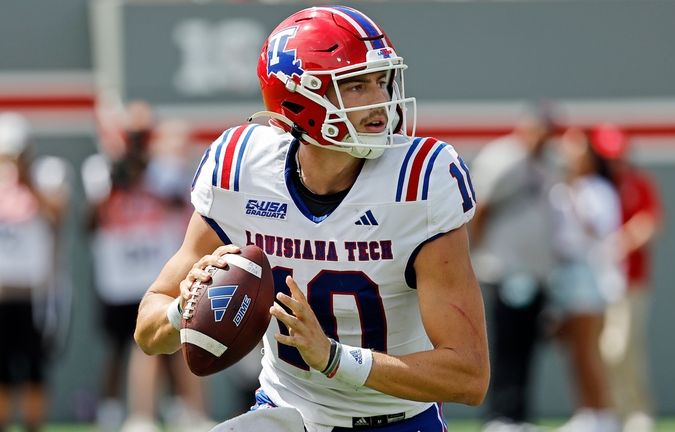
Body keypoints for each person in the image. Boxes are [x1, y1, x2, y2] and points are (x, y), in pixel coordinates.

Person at [134, 6, 489, 432]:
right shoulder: (242, 169)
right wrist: (181, 309)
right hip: (286, 413)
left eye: (381, 81)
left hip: (398, 422)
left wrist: (335, 359)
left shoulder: (420, 183)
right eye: (355, 86)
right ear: (299, 100)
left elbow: (469, 374)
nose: (381, 101)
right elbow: (147, 331)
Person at [85, 102, 214, 432]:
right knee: (132, 345)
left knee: (183, 339)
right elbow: (90, 218)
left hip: (160, 268)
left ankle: (187, 410)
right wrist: (119, 175)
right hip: (122, 272)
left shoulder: (164, 169)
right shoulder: (103, 169)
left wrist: (145, 175)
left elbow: (179, 201)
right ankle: (133, 412)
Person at [470, 108, 557, 432]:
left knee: (527, 347)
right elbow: (481, 208)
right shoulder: (503, 158)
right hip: (503, 270)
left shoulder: (544, 164)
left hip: (534, 273)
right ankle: (500, 416)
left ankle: (519, 415)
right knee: (504, 346)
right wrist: (477, 252)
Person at [549, 128, 623, 432]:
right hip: (562, 272)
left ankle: (603, 415)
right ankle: (586, 413)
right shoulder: (559, 188)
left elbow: (597, 231)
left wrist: (574, 194)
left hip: (587, 272)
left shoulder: (598, 190)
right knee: (572, 350)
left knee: (586, 348)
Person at [0, 113, 69, 432]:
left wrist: (26, 178)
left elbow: (57, 214)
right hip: (2, 292)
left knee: (34, 367)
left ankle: (32, 426)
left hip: (34, 293)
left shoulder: (45, 177)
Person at [590, 124, 662, 432]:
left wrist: (621, 243)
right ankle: (611, 411)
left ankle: (636, 409)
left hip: (630, 281)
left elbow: (650, 222)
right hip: (595, 283)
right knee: (602, 351)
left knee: (624, 348)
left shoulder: (636, 182)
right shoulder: (591, 186)